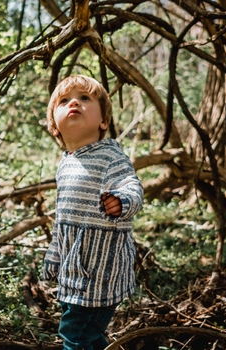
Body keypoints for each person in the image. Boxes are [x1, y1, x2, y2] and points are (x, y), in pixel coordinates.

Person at [41, 75, 144, 350]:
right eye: (64, 100)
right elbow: (62, 221)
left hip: (101, 273)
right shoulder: (66, 164)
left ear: (104, 122)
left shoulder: (110, 156)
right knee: (88, 334)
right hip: (73, 272)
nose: (74, 101)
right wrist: (54, 256)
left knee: (75, 333)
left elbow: (131, 186)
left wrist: (122, 202)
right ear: (54, 126)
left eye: (85, 98)